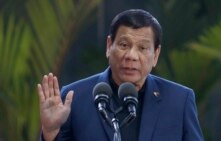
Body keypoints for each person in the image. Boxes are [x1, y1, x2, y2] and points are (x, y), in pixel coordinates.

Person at [37, 9, 204, 141]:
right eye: (124, 45)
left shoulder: (179, 100)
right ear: (109, 46)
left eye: (142, 48)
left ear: (156, 55)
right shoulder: (74, 97)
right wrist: (50, 133)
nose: (131, 55)